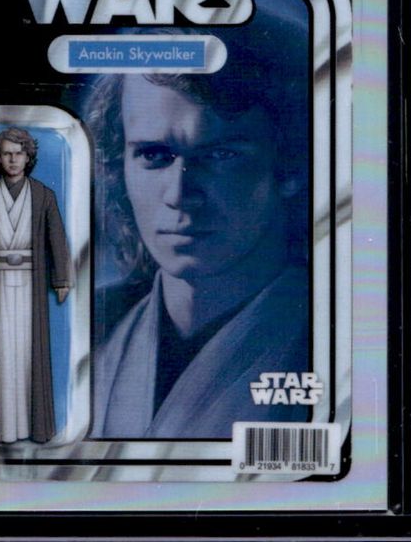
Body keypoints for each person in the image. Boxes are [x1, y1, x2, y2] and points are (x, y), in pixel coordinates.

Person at [86, 36, 310, 439]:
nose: (179, 194)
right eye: (153, 155)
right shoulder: (86, 332)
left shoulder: (337, 336)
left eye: (220, 155)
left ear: (290, 166)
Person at [0, 127, 72, 446]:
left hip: (32, 284)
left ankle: (36, 427)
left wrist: (61, 278)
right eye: (7, 153)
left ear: (28, 157)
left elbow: (57, 239)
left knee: (30, 353)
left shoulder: (44, 195)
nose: (13, 159)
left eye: (19, 153)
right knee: (1, 354)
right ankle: (0, 429)